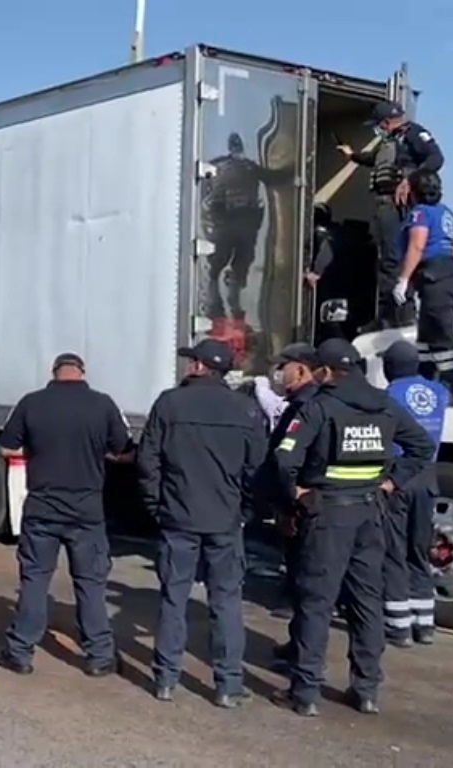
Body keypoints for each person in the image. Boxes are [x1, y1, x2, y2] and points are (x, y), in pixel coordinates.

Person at [269, 338, 435, 717]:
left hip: (328, 517)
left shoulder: (318, 408)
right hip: (371, 514)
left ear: (325, 371)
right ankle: (367, 689)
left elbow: (283, 459)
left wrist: (295, 494)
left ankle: (305, 692)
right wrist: (390, 483)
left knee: (316, 602)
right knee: (365, 602)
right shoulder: (385, 404)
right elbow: (422, 448)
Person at [136, 339, 266, 707]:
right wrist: (246, 512)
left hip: (178, 517)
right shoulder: (246, 409)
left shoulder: (169, 403)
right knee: (226, 601)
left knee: (173, 597)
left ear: (198, 367)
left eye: (191, 360)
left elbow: (148, 462)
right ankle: (227, 684)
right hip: (225, 521)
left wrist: (156, 506)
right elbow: (256, 470)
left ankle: (165, 679)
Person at [0, 353, 131, 677]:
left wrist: (37, 451)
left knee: (35, 580)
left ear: (54, 373)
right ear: (82, 372)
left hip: (42, 509)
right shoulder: (102, 404)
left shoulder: (32, 403)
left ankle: (19, 652)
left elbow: (6, 448)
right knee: (91, 584)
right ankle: (99, 657)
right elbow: (124, 451)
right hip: (86, 512)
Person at [339, 101, 444, 330]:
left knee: (394, 262)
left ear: (386, 122)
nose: (377, 129)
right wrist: (353, 156)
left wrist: (410, 179)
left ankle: (400, 316)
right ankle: (388, 313)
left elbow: (436, 158)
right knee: (386, 261)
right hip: (385, 207)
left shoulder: (415, 133)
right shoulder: (390, 141)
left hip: (399, 207)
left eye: (378, 125)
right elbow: (376, 161)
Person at [380, 341, 448, 646]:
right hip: (428, 477)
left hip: (399, 477)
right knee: (419, 551)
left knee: (395, 551)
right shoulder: (439, 393)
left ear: (389, 367)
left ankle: (398, 627)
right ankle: (425, 624)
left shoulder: (389, 396)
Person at [253, 344, 323, 628]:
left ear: (302, 369)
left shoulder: (305, 406)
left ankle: (300, 638)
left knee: (303, 563)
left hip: (300, 501)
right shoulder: (302, 402)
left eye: (285, 366)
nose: (280, 373)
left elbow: (288, 458)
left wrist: (288, 499)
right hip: (302, 500)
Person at [202, 132, 292, 350]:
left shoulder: (218, 166)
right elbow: (274, 177)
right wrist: (294, 169)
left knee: (218, 269)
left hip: (226, 225)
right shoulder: (250, 167)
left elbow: (204, 188)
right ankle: (232, 309)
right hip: (244, 225)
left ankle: (221, 310)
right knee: (237, 269)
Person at [393, 170, 453, 405]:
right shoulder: (446, 213)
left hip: (436, 277)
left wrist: (403, 280)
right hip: (451, 274)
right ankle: (425, 379)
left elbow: (417, 245)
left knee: (441, 335)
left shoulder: (420, 213)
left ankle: (452, 387)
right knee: (426, 335)